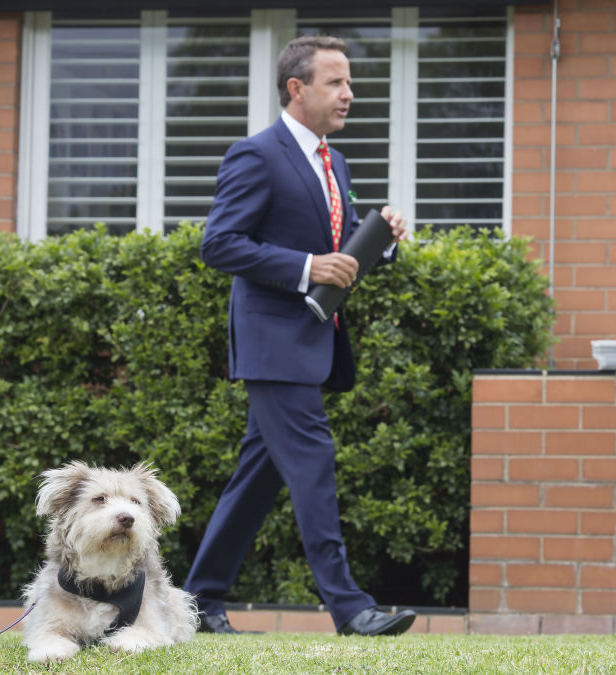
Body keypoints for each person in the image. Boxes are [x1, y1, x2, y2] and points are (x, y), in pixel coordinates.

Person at [183, 35, 414, 637]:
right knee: (313, 463)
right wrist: (309, 266)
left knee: (257, 478)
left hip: (311, 340)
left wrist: (379, 245)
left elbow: (339, 255)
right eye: (335, 82)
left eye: (348, 82)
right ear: (297, 88)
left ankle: (197, 602)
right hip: (272, 343)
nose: (349, 93)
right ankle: (350, 607)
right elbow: (219, 244)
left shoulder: (334, 161)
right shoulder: (255, 155)